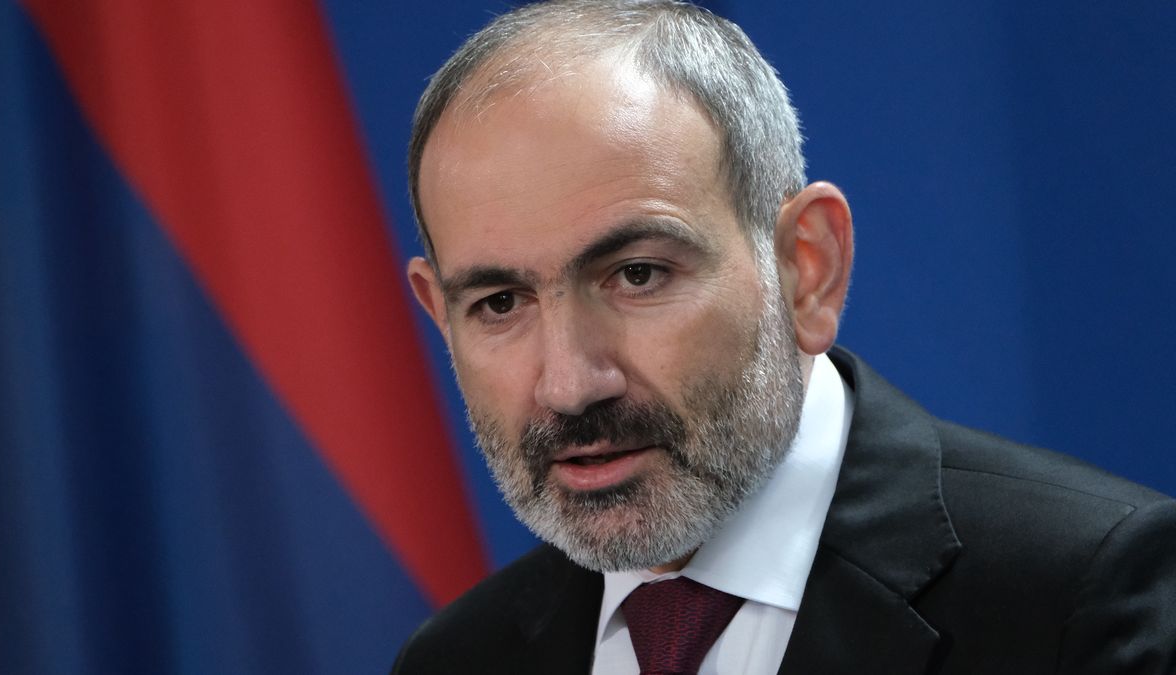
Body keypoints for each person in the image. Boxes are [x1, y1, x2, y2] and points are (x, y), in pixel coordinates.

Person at [392, 1, 1176, 673]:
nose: (569, 383)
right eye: (499, 302)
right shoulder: (457, 657)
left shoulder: (1087, 595)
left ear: (807, 268)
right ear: (438, 314)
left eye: (637, 275)